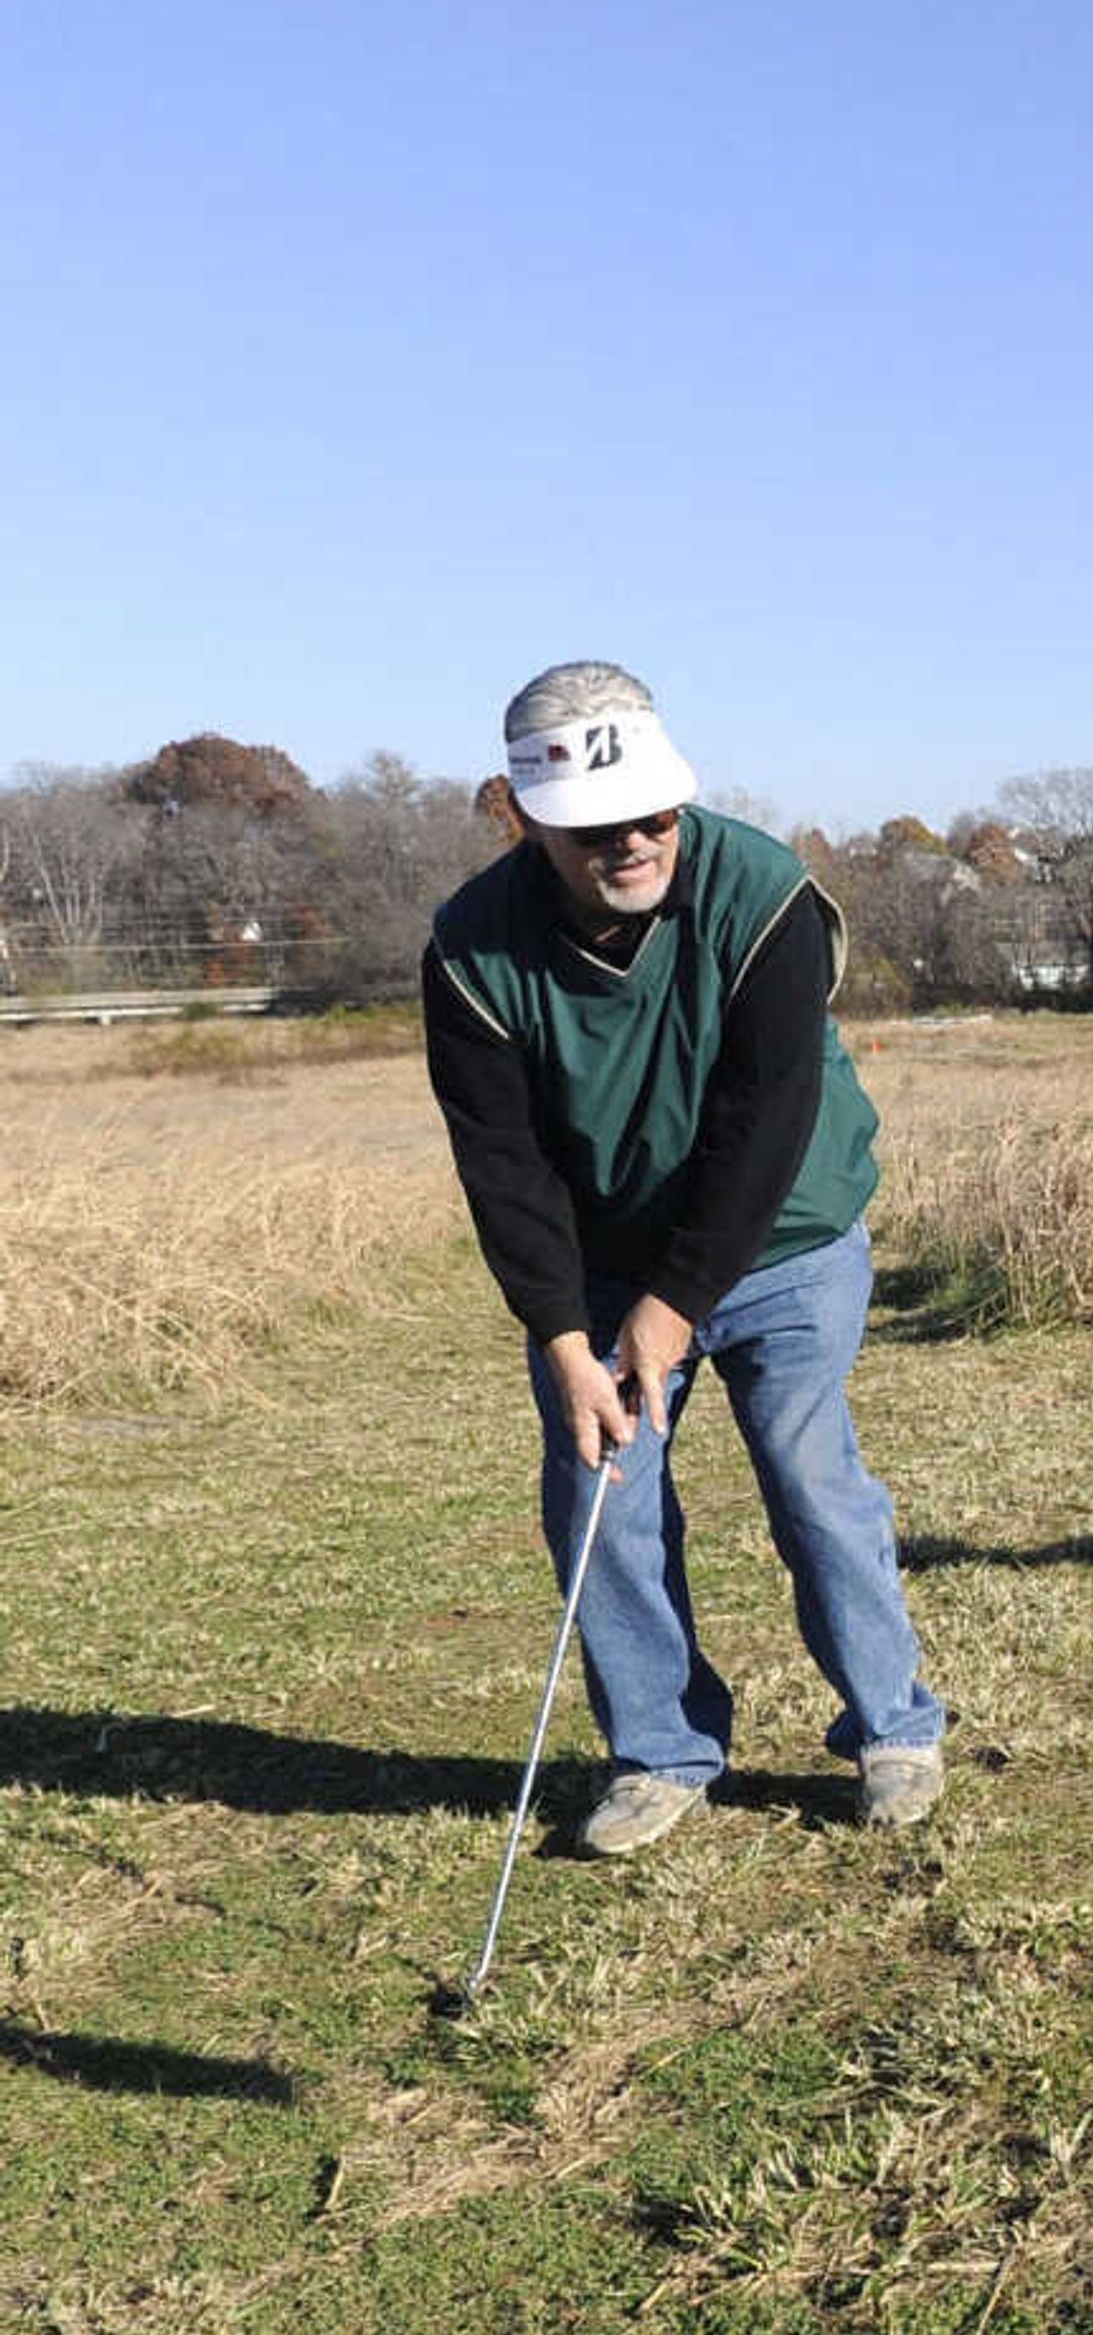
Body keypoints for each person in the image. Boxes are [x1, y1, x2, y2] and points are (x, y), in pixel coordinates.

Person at [425, 662, 945, 1852]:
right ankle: (661, 1751)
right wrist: (566, 1337)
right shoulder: (469, 949)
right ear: (527, 821)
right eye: (600, 826)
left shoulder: (760, 891)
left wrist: (673, 1309)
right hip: (603, 1264)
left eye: (653, 813)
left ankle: (893, 1730)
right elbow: (503, 1164)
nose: (635, 841)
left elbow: (763, 1123)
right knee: (597, 1493)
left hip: (785, 1239)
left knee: (807, 1472)